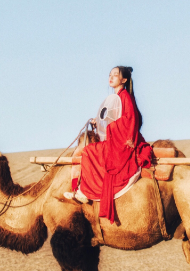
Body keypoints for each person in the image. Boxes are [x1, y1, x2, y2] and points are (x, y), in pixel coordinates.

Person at [64, 66, 152, 223]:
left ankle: (84, 191)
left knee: (89, 151)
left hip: (122, 144)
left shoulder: (125, 97)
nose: (111, 78)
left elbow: (129, 121)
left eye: (115, 75)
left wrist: (109, 127)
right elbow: (113, 120)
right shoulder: (118, 98)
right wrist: (98, 122)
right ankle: (82, 190)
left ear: (124, 80)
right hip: (116, 140)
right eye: (110, 75)